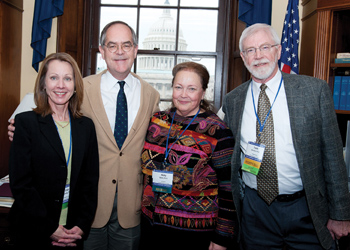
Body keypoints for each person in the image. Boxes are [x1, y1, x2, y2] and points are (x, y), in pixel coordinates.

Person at [8, 21, 160, 250]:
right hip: (88, 208)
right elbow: (47, 121)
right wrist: (16, 130)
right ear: (102, 50)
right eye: (112, 45)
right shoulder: (81, 87)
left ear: (135, 50)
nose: (120, 51)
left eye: (126, 45)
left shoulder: (152, 95)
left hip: (131, 204)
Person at [222, 23, 350, 250]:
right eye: (250, 50)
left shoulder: (314, 91)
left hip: (306, 208)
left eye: (264, 47)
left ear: (278, 51)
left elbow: (333, 155)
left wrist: (340, 213)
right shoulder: (233, 100)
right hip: (255, 212)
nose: (258, 56)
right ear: (243, 57)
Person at [139, 62, 238, 250]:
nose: (183, 94)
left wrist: (222, 238)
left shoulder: (218, 131)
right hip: (151, 227)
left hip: (194, 234)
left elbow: (229, 189)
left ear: (203, 92)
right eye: (178, 87)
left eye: (191, 89)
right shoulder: (157, 121)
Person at [9, 52, 99, 249]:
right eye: (53, 78)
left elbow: (90, 183)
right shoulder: (25, 123)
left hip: (73, 231)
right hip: (33, 230)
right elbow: (21, 184)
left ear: (75, 86)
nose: (61, 85)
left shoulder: (86, 127)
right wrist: (49, 227)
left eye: (67, 78)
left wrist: (81, 226)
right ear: (43, 84)